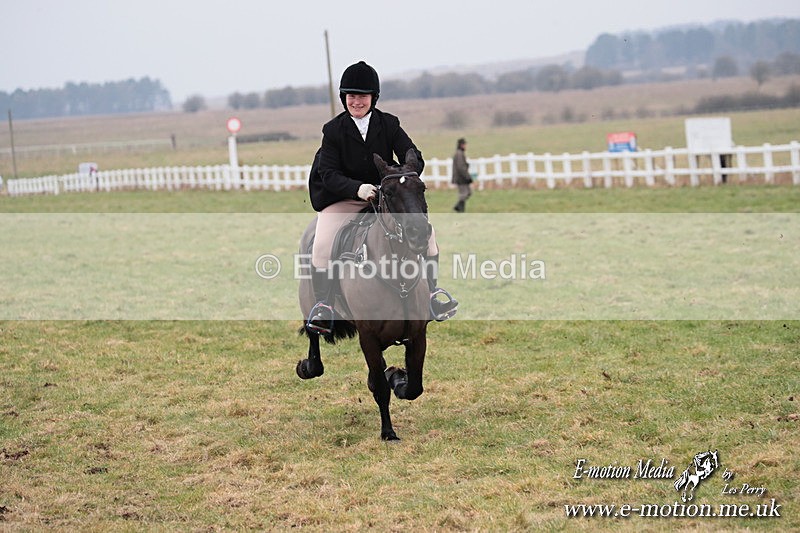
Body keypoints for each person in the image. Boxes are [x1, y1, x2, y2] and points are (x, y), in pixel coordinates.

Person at [306, 61, 458, 333]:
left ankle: (433, 294)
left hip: (384, 195)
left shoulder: (389, 124)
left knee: (428, 236)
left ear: (373, 98)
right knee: (322, 245)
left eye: (362, 96)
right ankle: (324, 306)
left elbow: (413, 155)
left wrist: (405, 171)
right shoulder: (333, 130)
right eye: (351, 96)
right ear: (344, 98)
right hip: (345, 196)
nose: (356, 102)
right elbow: (327, 173)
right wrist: (357, 189)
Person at [452, 138, 472, 212]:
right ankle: (459, 208)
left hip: (461, 177)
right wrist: (467, 177)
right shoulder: (459, 154)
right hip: (461, 177)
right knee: (464, 193)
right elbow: (461, 167)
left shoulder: (459, 153)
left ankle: (459, 207)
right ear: (461, 145)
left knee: (467, 192)